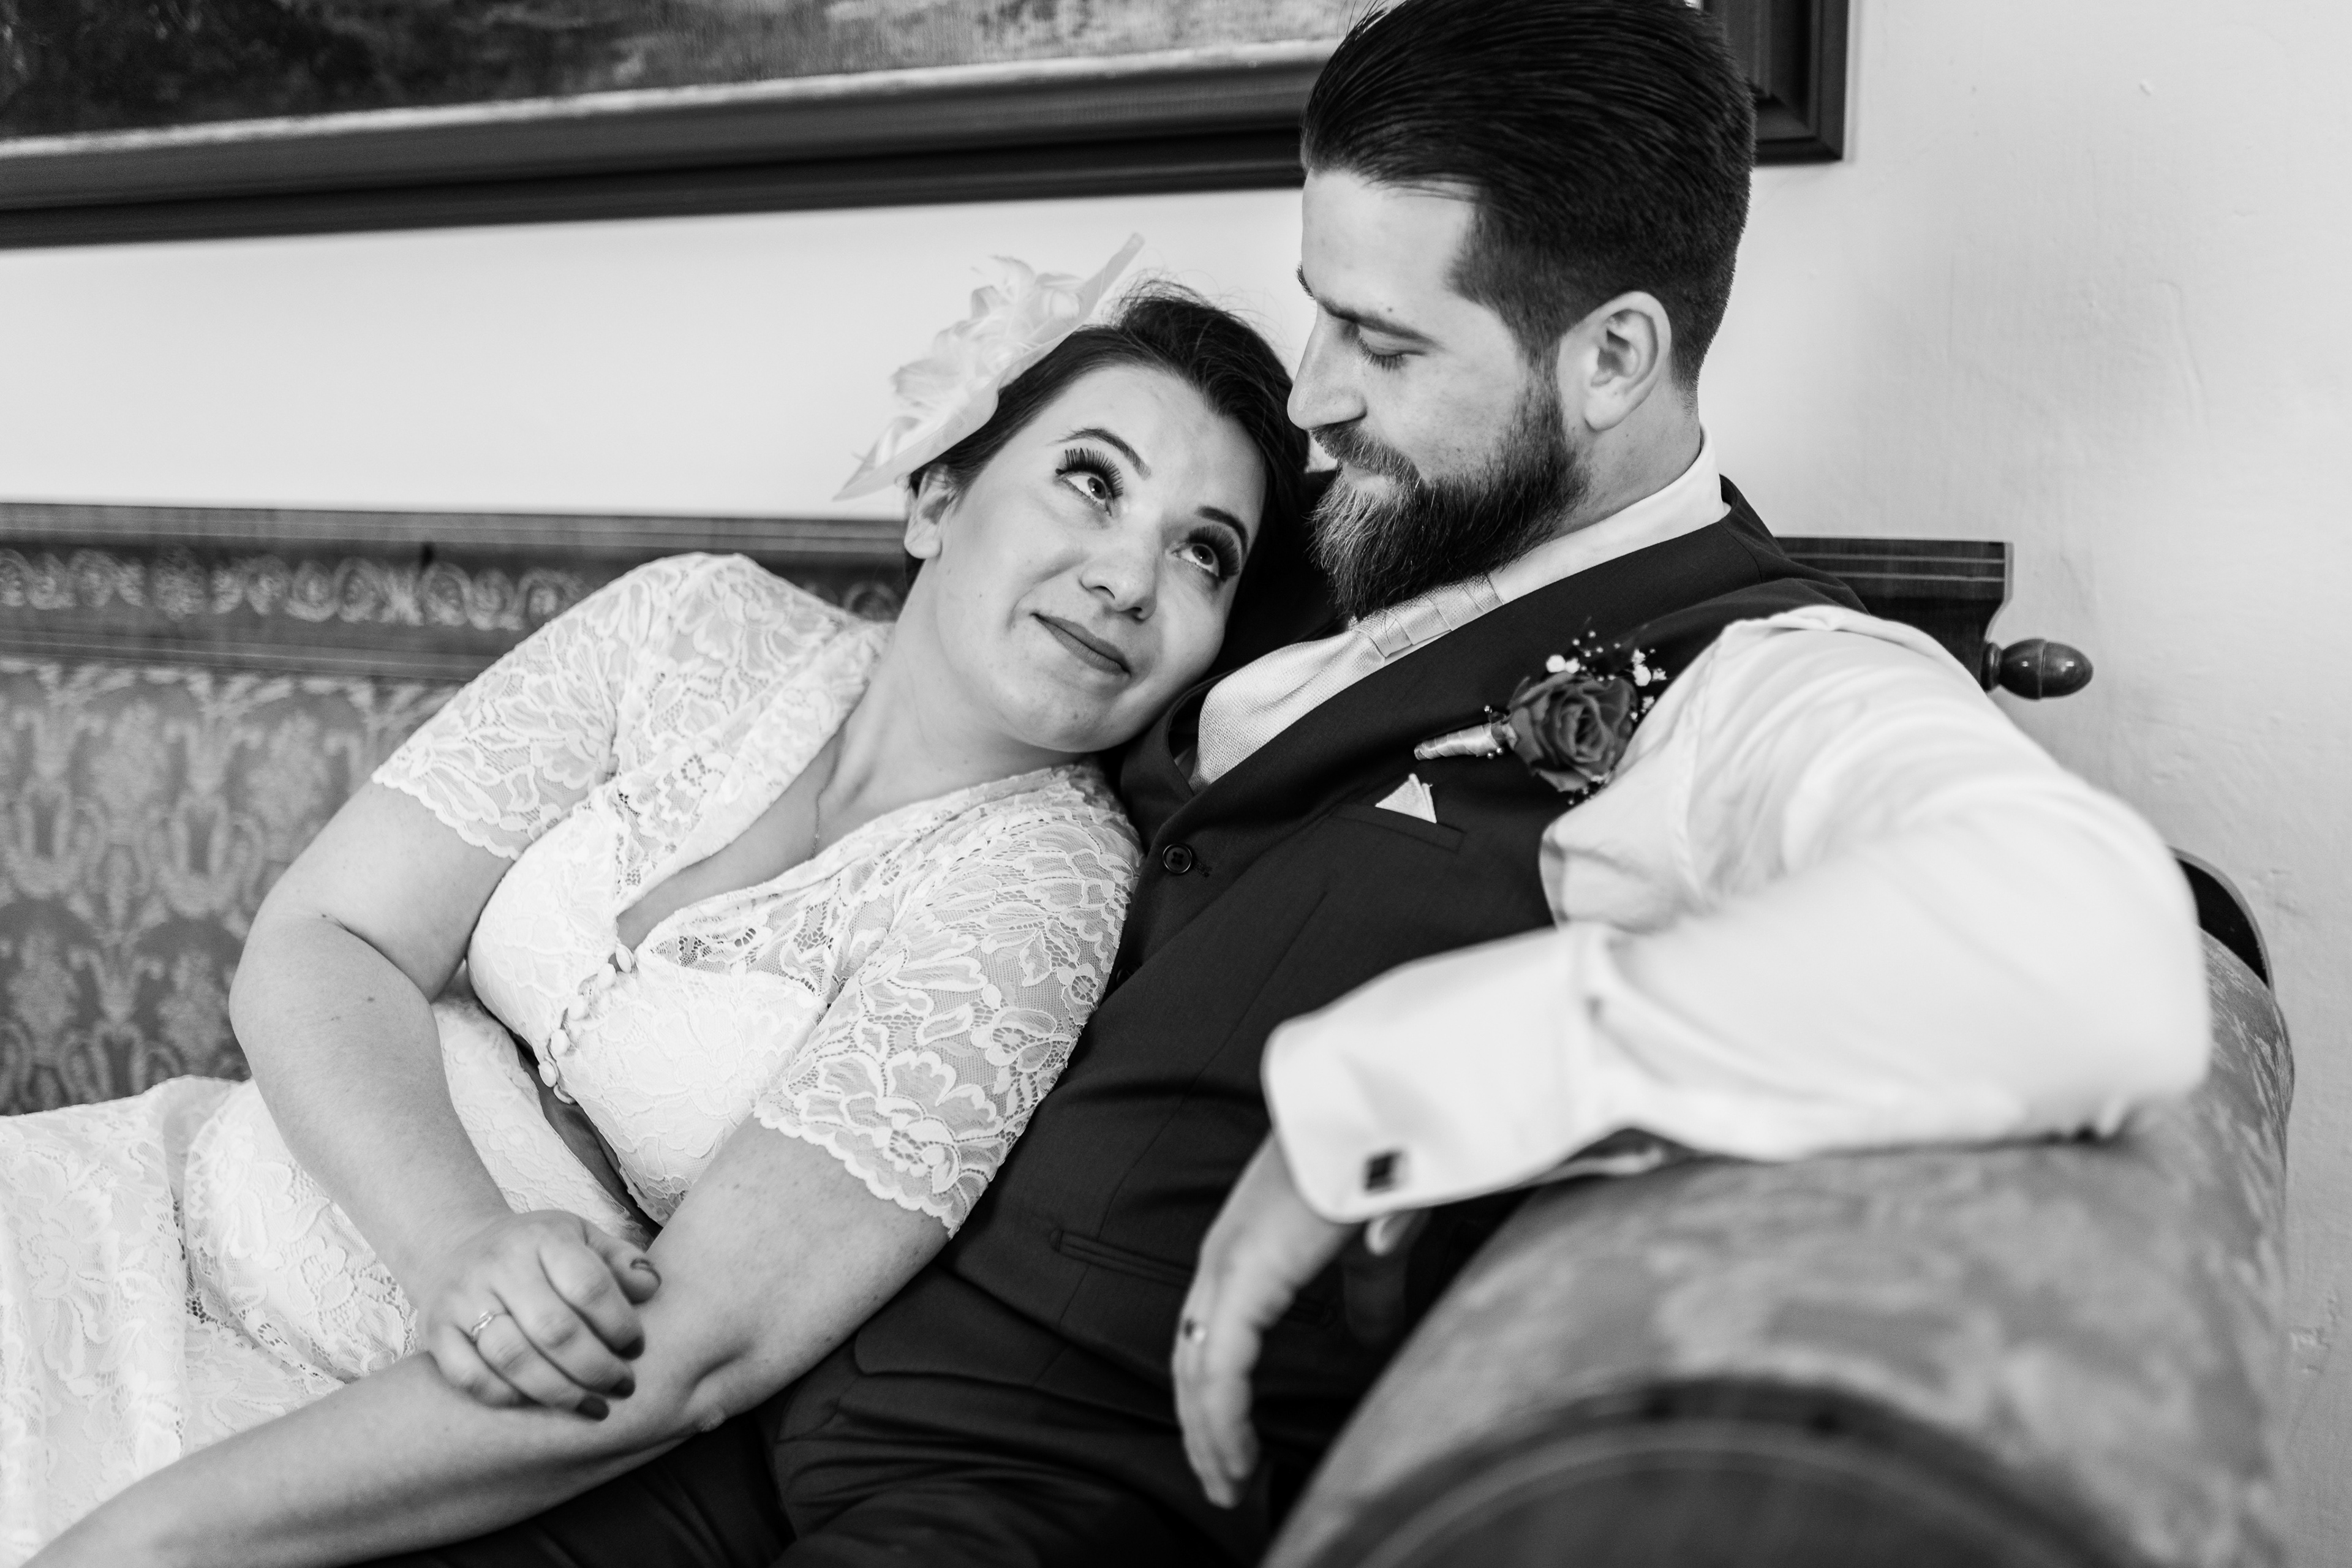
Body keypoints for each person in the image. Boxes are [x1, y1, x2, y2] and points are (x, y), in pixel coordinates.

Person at [40, 2, 2211, 1564]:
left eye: (1383, 345)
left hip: (988, 1505)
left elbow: (2101, 951)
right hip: (725, 1431)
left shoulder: (1762, 683)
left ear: (1615, 358)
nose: (1317, 399)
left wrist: (1442, 1084)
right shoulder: (1342, 576)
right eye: (1320, 315)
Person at [7, 279, 1310, 1566]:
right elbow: (328, 931)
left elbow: (701, 1351)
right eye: (1092, 480)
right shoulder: (697, 622)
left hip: (352, 1447)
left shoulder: (1046, 891)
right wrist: (458, 1245)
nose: (1131, 577)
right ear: (937, 499)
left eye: (1205, 551)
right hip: (118, 1207)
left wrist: (152, 1534)